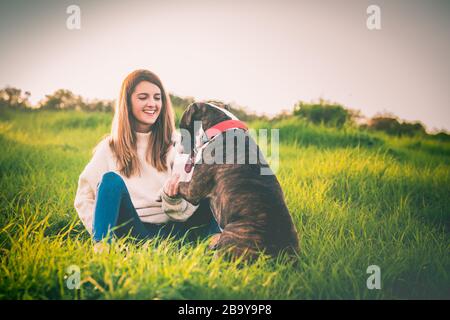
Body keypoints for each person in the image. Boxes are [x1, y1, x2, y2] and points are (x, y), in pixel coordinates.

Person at [74, 69, 220, 247]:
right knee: (110, 181)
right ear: (127, 103)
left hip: (178, 228)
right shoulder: (110, 148)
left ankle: (217, 242)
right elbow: (84, 197)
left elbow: (189, 202)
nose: (152, 103)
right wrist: (100, 229)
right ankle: (103, 247)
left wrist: (173, 198)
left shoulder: (179, 142)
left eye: (157, 98)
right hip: (133, 230)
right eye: (143, 97)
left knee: (210, 174)